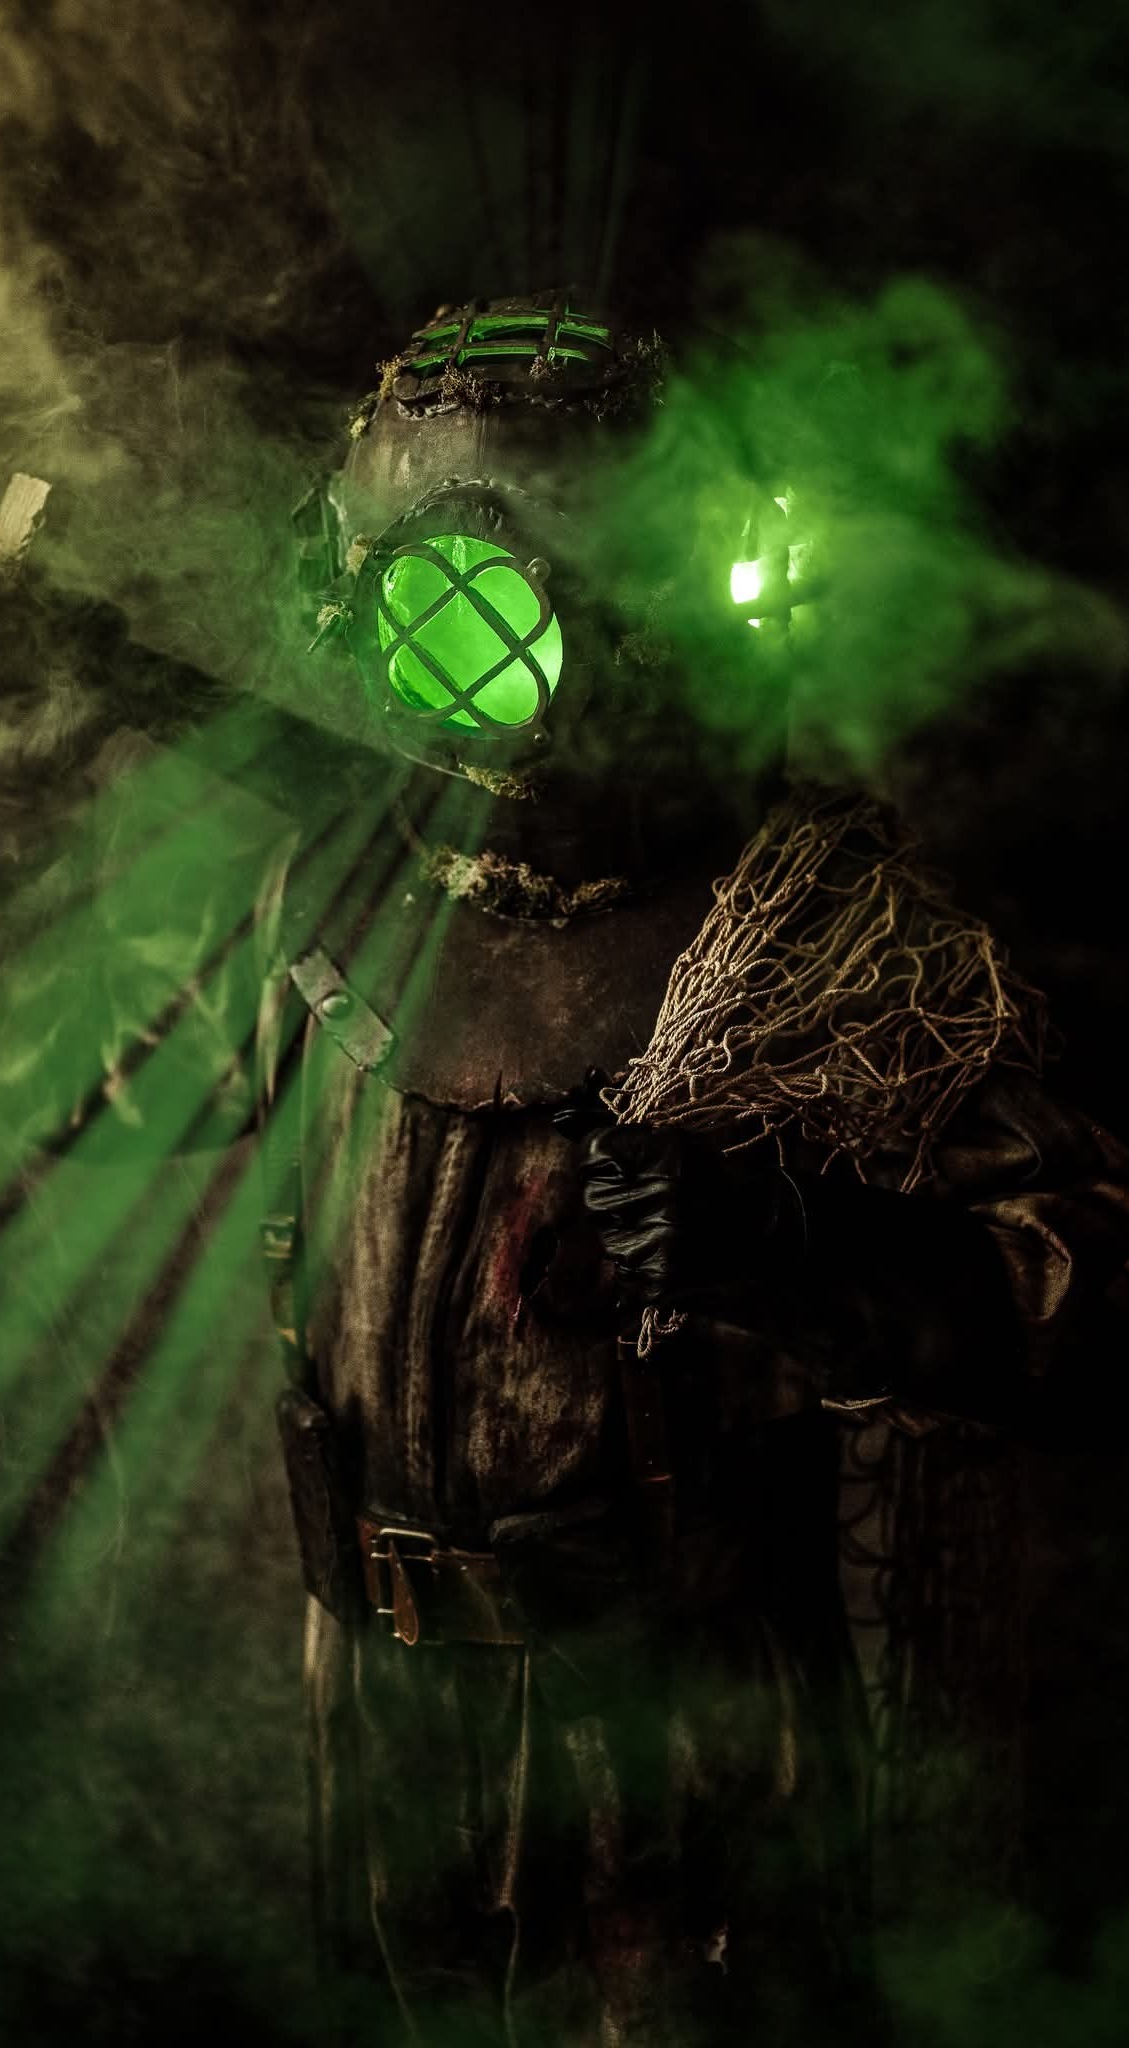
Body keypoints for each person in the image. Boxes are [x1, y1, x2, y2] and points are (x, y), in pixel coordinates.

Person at [255, 292, 1129, 2047]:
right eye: (426, 586)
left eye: (506, 584)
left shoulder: (812, 942)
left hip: (677, 1757)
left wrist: (811, 1258)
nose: (466, 632)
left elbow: (1090, 1286)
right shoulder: (328, 899)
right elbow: (108, 1098)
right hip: (381, 1723)